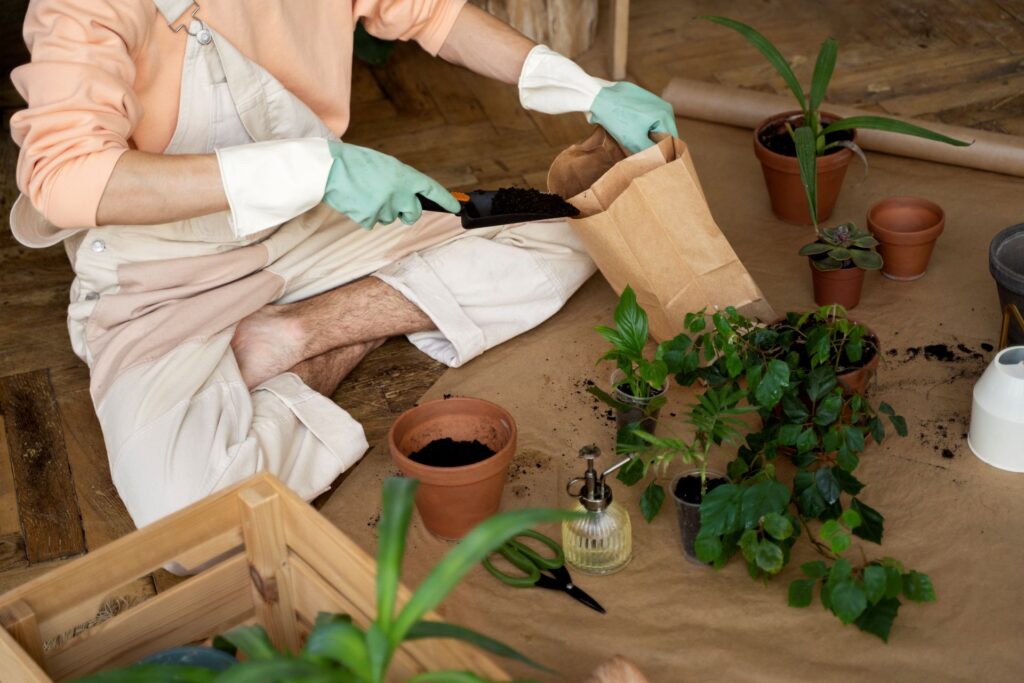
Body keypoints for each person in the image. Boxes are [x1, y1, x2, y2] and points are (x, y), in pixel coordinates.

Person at [10, 0, 678, 530]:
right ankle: (328, 331)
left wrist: (586, 91)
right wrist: (313, 167)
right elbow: (64, 176)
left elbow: (432, 14)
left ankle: (302, 331)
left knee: (574, 236)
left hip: (309, 225)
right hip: (164, 269)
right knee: (190, 518)